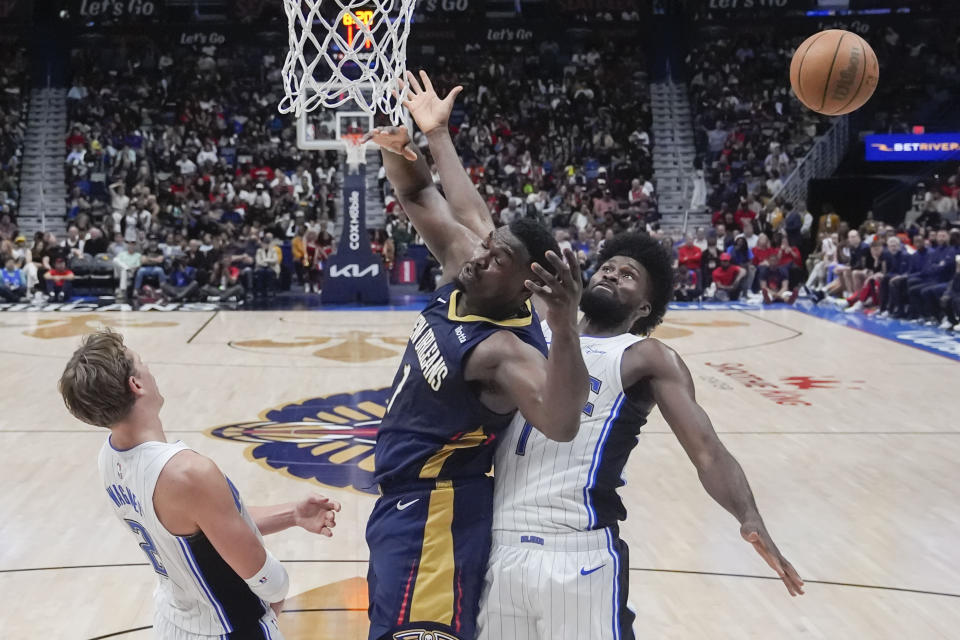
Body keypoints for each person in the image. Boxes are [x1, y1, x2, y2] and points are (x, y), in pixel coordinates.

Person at [479, 233, 803, 639]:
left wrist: (748, 515)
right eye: (608, 267)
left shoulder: (645, 357)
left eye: (628, 274)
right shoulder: (533, 330)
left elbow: (706, 451)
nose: (612, 275)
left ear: (644, 306)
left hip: (578, 554)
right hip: (500, 545)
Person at [362, 69, 590, 640]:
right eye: (489, 247)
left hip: (436, 510)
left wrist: (564, 326)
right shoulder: (471, 267)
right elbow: (419, 192)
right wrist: (408, 144)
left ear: (527, 288)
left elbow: (561, 421)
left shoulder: (504, 353)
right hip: (406, 505)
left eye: (498, 258)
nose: (482, 255)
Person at [58, 330, 340, 639]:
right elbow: (269, 581)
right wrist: (271, 603)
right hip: (226, 627)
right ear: (136, 384)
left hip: (173, 620)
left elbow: (205, 527)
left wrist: (292, 515)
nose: (149, 368)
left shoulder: (110, 457)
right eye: (141, 362)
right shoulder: (186, 473)